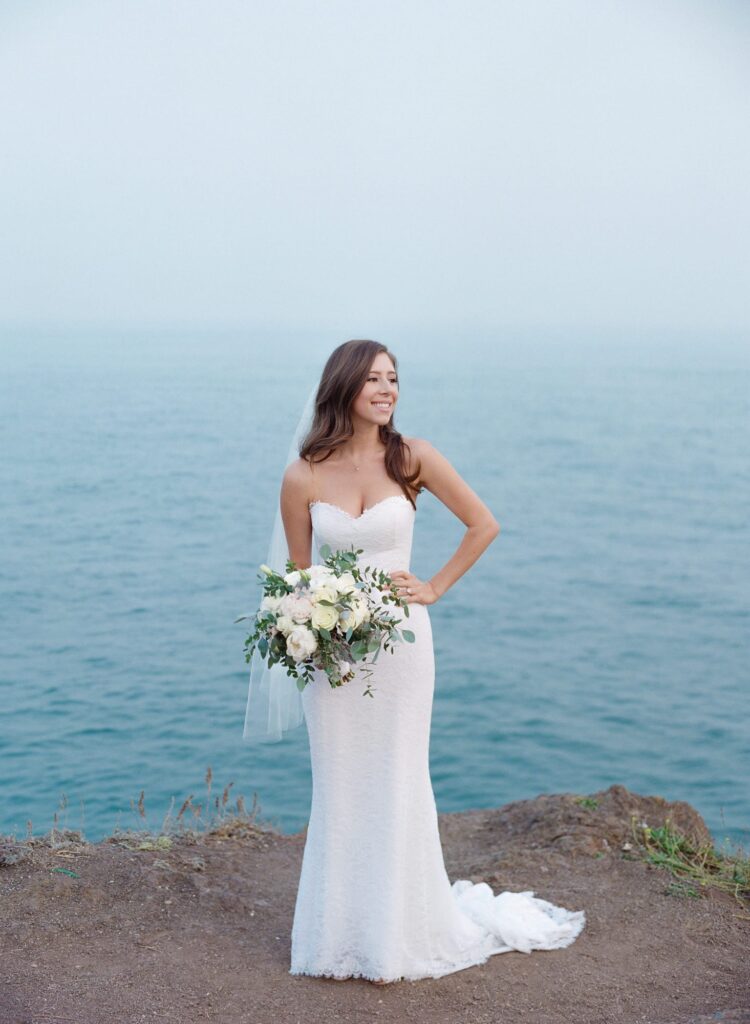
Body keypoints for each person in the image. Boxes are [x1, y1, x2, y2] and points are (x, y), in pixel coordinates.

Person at [273, 339, 586, 984]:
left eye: (394, 379)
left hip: (401, 650)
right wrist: (305, 628)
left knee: (397, 779)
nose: (387, 390)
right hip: (335, 658)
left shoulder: (412, 457)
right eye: (374, 380)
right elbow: (298, 578)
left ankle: (397, 937)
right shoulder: (303, 473)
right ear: (343, 388)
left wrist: (435, 587)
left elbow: (483, 523)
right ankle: (336, 940)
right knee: (339, 787)